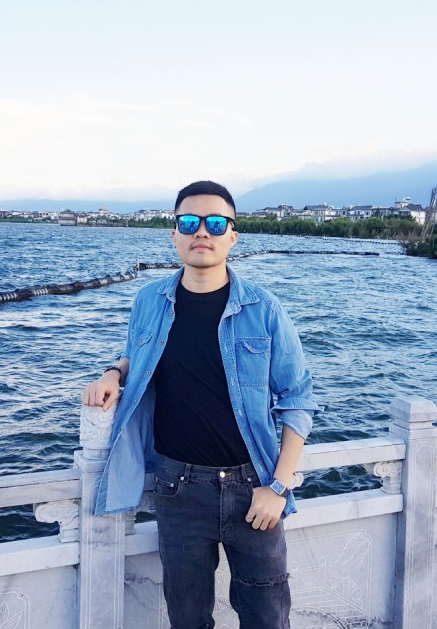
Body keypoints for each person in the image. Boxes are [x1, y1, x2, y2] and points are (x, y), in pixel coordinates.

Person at [82, 180, 319, 629]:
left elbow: (298, 399)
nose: (202, 232)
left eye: (216, 223)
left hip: (253, 486)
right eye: (189, 222)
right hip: (178, 488)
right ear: (174, 233)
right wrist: (113, 373)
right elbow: (138, 354)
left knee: (267, 617)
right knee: (187, 618)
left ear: (233, 235)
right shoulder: (149, 300)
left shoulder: (265, 309)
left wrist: (278, 487)